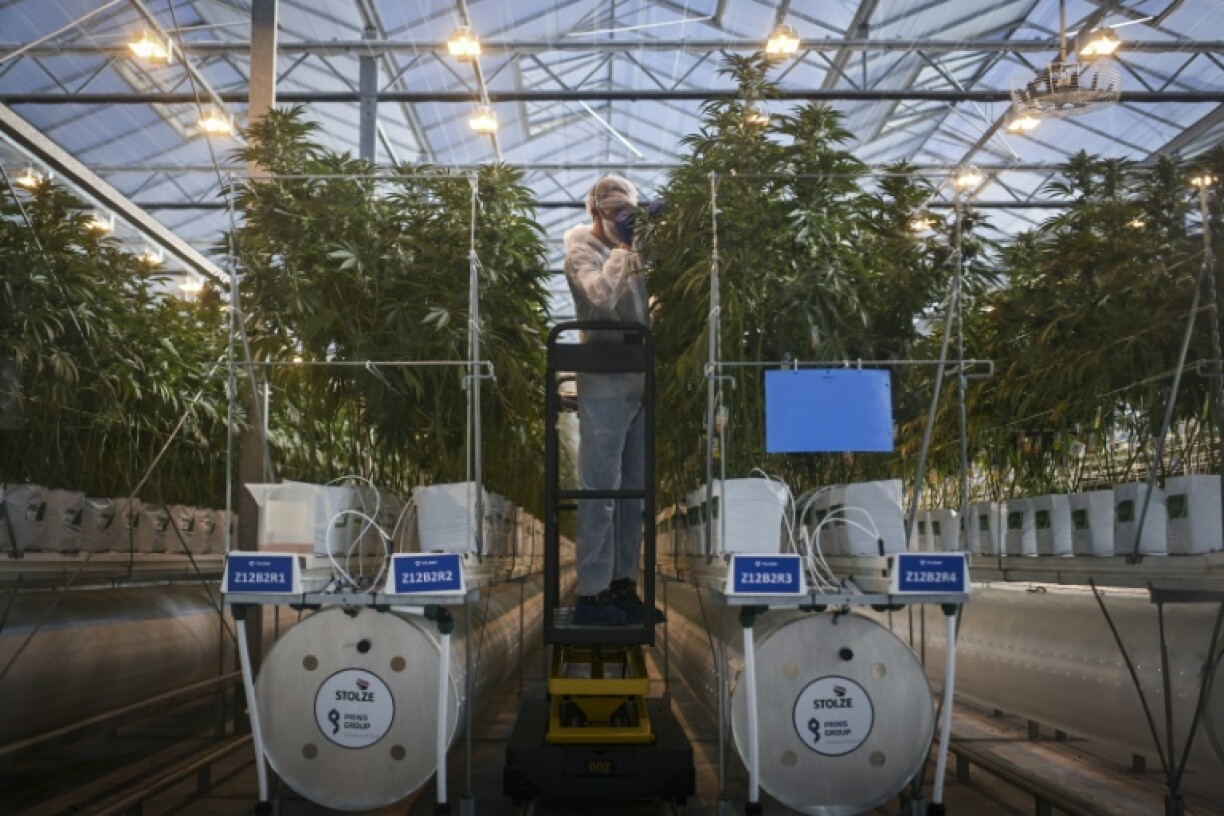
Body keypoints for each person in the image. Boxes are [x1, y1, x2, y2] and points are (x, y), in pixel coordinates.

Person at [562, 175, 661, 626]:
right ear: (594, 211)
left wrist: (659, 239)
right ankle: (592, 593)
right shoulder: (581, 249)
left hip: (639, 371)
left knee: (632, 491)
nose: (623, 221)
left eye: (629, 213)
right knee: (601, 488)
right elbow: (599, 296)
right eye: (615, 213)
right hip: (603, 374)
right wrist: (623, 250)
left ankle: (623, 584)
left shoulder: (637, 249)